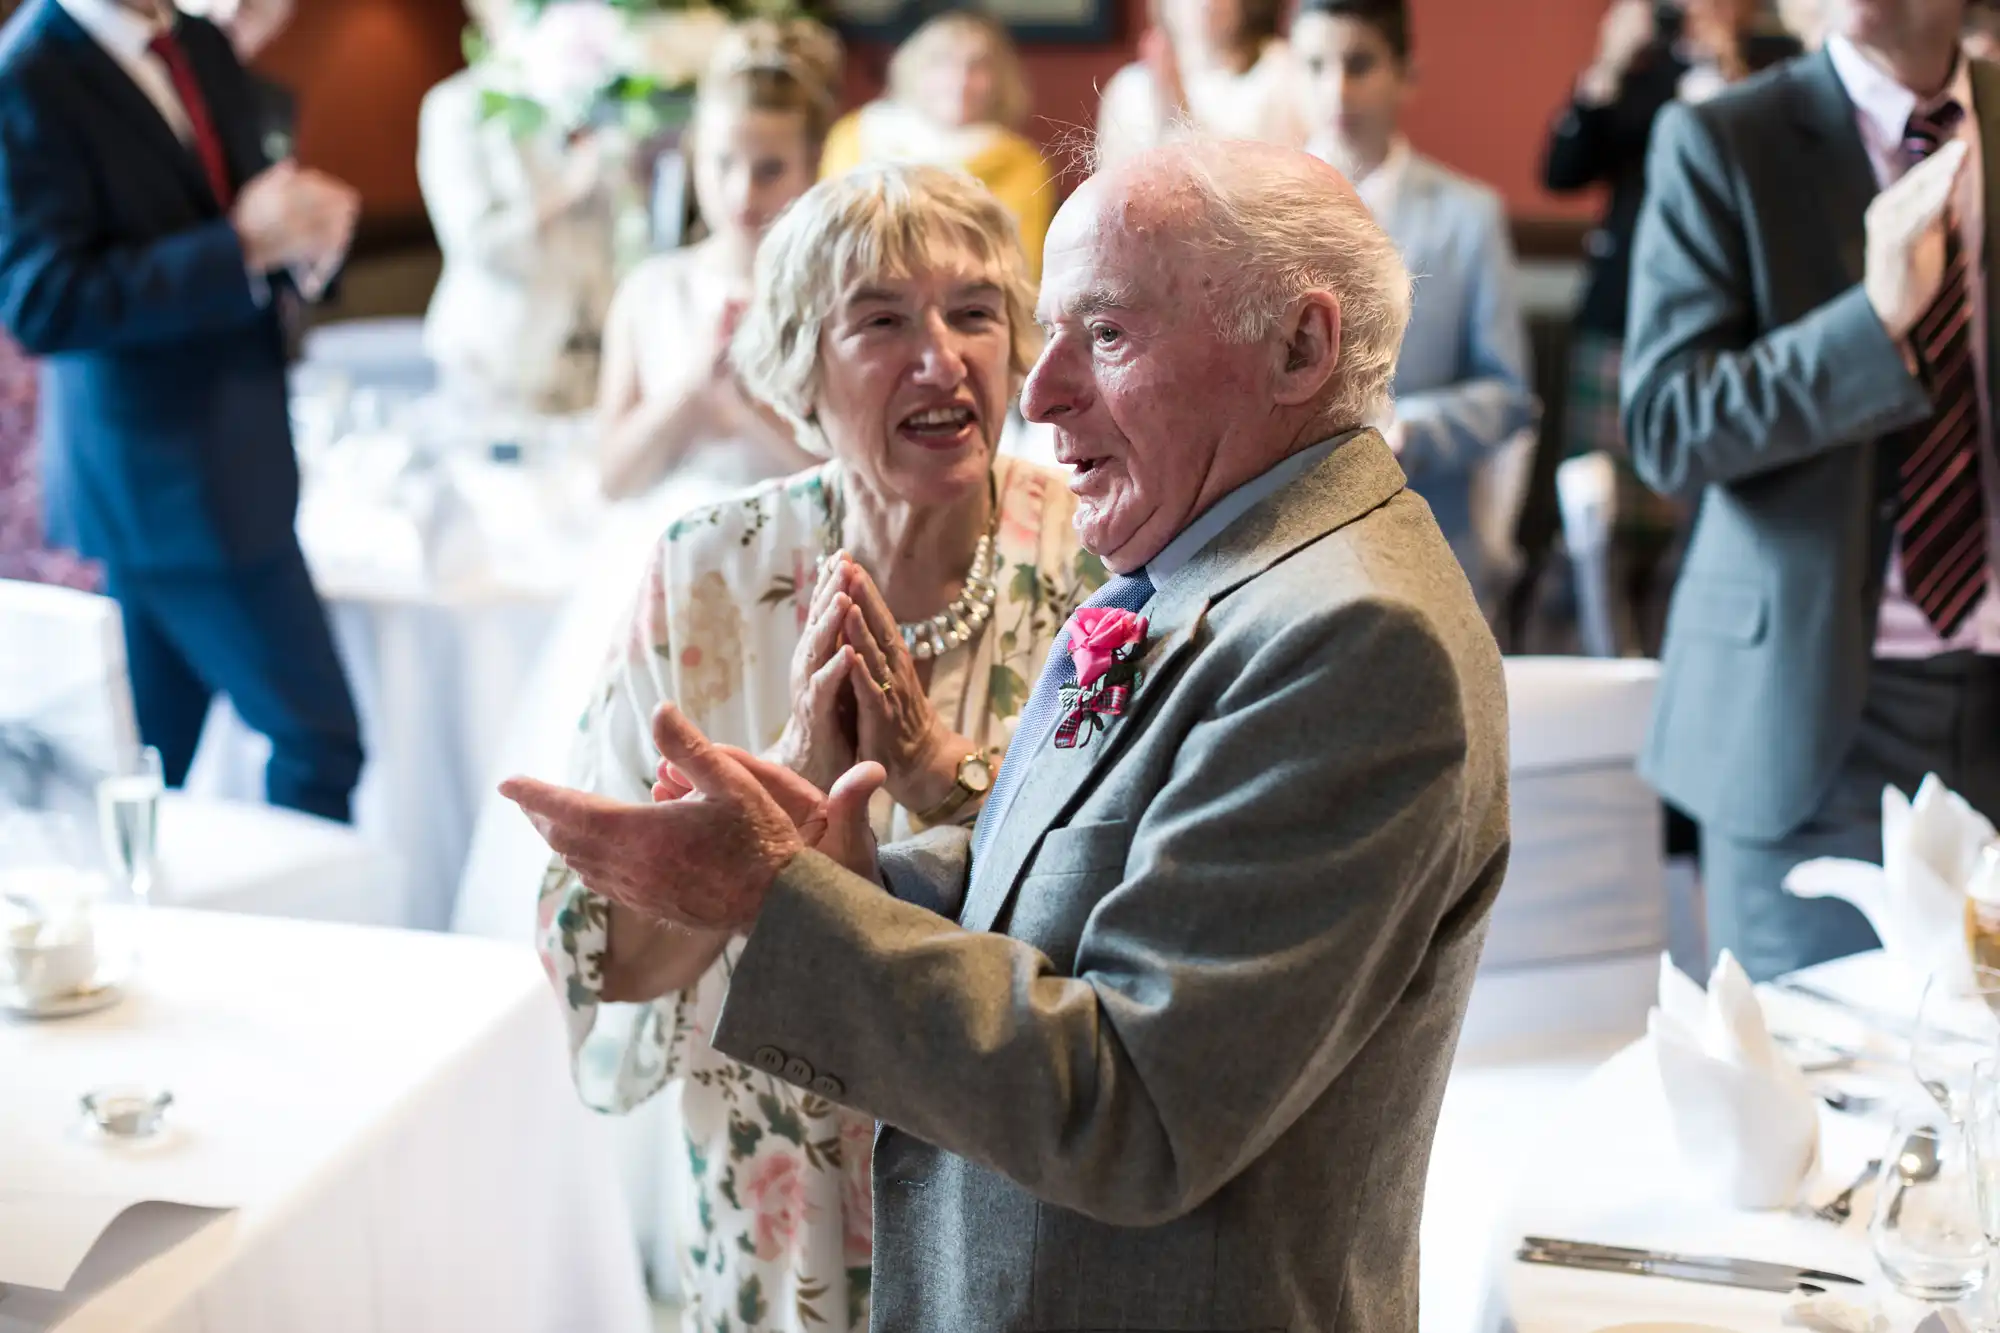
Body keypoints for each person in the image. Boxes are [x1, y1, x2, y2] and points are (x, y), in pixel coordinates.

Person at [506, 139, 1510, 1331]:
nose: (1029, 392)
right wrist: (860, 868)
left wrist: (783, 893)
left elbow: (1134, 1105)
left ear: (1299, 346)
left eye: (1106, 335)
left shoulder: (1343, 636)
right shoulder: (1199, 554)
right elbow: (1080, 875)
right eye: (880, 319)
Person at [535, 164, 1104, 1331]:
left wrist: (950, 774)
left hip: (1016, 1173)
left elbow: (1131, 919)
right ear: (799, 361)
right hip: (773, 1170)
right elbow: (616, 964)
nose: (940, 356)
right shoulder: (705, 571)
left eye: (973, 312)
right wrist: (764, 827)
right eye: (881, 319)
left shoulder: (1100, 563)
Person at [1622, 0, 2000, 981]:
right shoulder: (1721, 140)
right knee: (1814, 1107)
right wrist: (1870, 322)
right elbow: (1665, 427)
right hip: (1805, 722)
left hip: (1991, 700)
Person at [0, 0, 365, 820]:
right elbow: (42, 302)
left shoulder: (195, 40)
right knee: (320, 743)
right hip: (160, 483)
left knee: (144, 767)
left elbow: (250, 219)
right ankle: (299, 947)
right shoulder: (25, 75)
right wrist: (238, 246)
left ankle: (137, 927)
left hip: (245, 456)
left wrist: (305, 250)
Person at [1543, 0, 1800, 652]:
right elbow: (1561, 171)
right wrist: (1605, 64)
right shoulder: (1638, 67)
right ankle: (1592, 671)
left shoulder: (1774, 64)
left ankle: (1686, 660)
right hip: (1618, 323)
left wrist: (1724, 64)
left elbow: (1771, 178)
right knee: (1597, 529)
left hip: (1720, 331)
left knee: (1697, 526)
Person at [1293, 0, 1533, 596]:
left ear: (1406, 74)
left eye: (1360, 64)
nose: (1336, 90)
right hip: (1287, 544)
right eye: (1315, 66)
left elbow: (1508, 394)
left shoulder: (1467, 216)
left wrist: (1413, 428)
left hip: (1427, 540)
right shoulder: (1258, 215)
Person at [595, 19, 833, 506]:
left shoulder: (834, 291)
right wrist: (696, 390)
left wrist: (747, 402)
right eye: (722, 163)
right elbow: (610, 480)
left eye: (770, 169)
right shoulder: (651, 290)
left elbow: (858, 480)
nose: (742, 193)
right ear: (693, 156)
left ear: (811, 165)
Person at [417, 0, 620, 414]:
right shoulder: (456, 107)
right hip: (497, 358)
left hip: (592, 353)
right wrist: (568, 188)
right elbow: (478, 240)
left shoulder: (594, 100)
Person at [819, 12, 1056, 278]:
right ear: (912, 67)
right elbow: (830, 235)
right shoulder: (855, 135)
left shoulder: (1020, 161)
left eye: (977, 66)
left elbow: (1020, 261)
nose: (960, 80)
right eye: (942, 63)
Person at [1095, 0, 1304, 168]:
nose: (1207, 4)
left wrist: (1177, 107)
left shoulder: (1278, 70)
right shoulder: (1130, 87)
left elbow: (1258, 177)